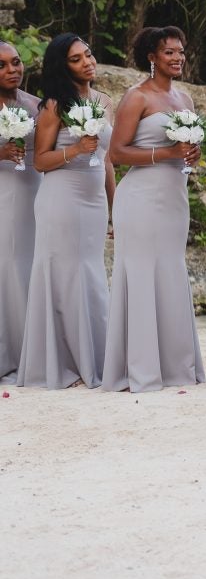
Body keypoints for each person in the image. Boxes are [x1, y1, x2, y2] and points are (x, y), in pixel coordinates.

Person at [102, 26, 205, 392]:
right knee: (143, 274)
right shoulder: (136, 97)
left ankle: (176, 367)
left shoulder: (186, 100)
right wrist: (168, 153)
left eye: (181, 52)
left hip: (175, 197)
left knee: (170, 273)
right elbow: (116, 153)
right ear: (152, 57)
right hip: (141, 198)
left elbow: (186, 151)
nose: (178, 58)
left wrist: (191, 154)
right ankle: (142, 370)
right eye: (169, 53)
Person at [17, 34, 114, 389]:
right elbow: (40, 161)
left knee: (90, 274)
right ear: (64, 66)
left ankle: (98, 358)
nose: (87, 61)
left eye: (88, 54)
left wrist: (114, 206)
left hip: (93, 201)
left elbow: (107, 161)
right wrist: (75, 150)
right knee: (64, 275)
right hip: (61, 196)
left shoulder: (103, 100)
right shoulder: (54, 105)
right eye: (77, 59)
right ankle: (66, 364)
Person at [0, 41, 41, 382]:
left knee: (30, 266)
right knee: (9, 266)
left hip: (35, 190)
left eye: (15, 62)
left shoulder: (35, 105)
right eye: (3, 66)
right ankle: (11, 353)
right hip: (4, 193)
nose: (12, 70)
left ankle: (35, 350)